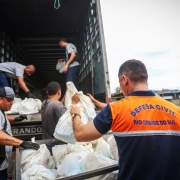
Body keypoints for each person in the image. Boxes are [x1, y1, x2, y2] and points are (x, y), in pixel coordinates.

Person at [70, 59, 180, 180]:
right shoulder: (176, 111)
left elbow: (80, 134)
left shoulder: (115, 110)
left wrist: (76, 112)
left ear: (125, 79)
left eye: (119, 83)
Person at [0, 87, 40, 179]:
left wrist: (15, 119)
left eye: (12, 100)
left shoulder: (1, 111)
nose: (11, 103)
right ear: (0, 99)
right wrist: (21, 143)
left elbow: (3, 119)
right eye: (8, 100)